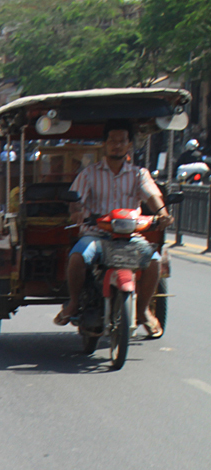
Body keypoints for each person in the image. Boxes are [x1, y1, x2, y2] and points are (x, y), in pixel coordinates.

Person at [54, 119, 173, 337]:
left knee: (155, 261)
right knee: (77, 258)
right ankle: (73, 303)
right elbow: (76, 199)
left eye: (122, 141)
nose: (117, 145)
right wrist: (77, 211)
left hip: (130, 236)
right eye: (112, 141)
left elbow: (152, 195)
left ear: (129, 145)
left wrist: (162, 214)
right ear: (105, 144)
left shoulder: (139, 174)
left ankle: (143, 310)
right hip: (96, 236)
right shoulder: (89, 174)